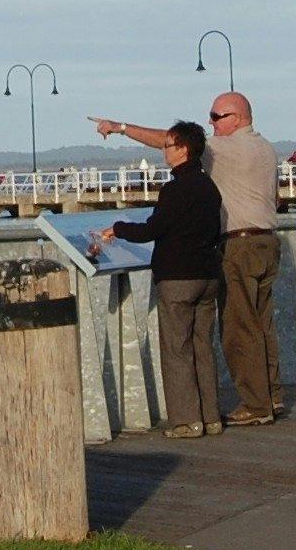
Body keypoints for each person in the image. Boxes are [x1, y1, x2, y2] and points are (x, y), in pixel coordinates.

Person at [94, 92, 281, 424]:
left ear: (238, 118)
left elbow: (171, 140)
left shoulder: (224, 149)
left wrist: (121, 127)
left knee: (239, 328)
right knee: (262, 324)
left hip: (239, 245)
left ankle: (256, 406)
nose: (211, 122)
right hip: (267, 242)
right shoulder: (266, 148)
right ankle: (271, 396)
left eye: (217, 116)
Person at [84, 120, 226, 438]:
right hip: (207, 275)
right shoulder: (209, 187)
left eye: (168, 146)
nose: (164, 151)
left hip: (178, 277)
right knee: (203, 347)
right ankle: (211, 416)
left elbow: (152, 230)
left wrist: (118, 228)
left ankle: (187, 421)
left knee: (177, 349)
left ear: (183, 149)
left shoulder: (175, 190)